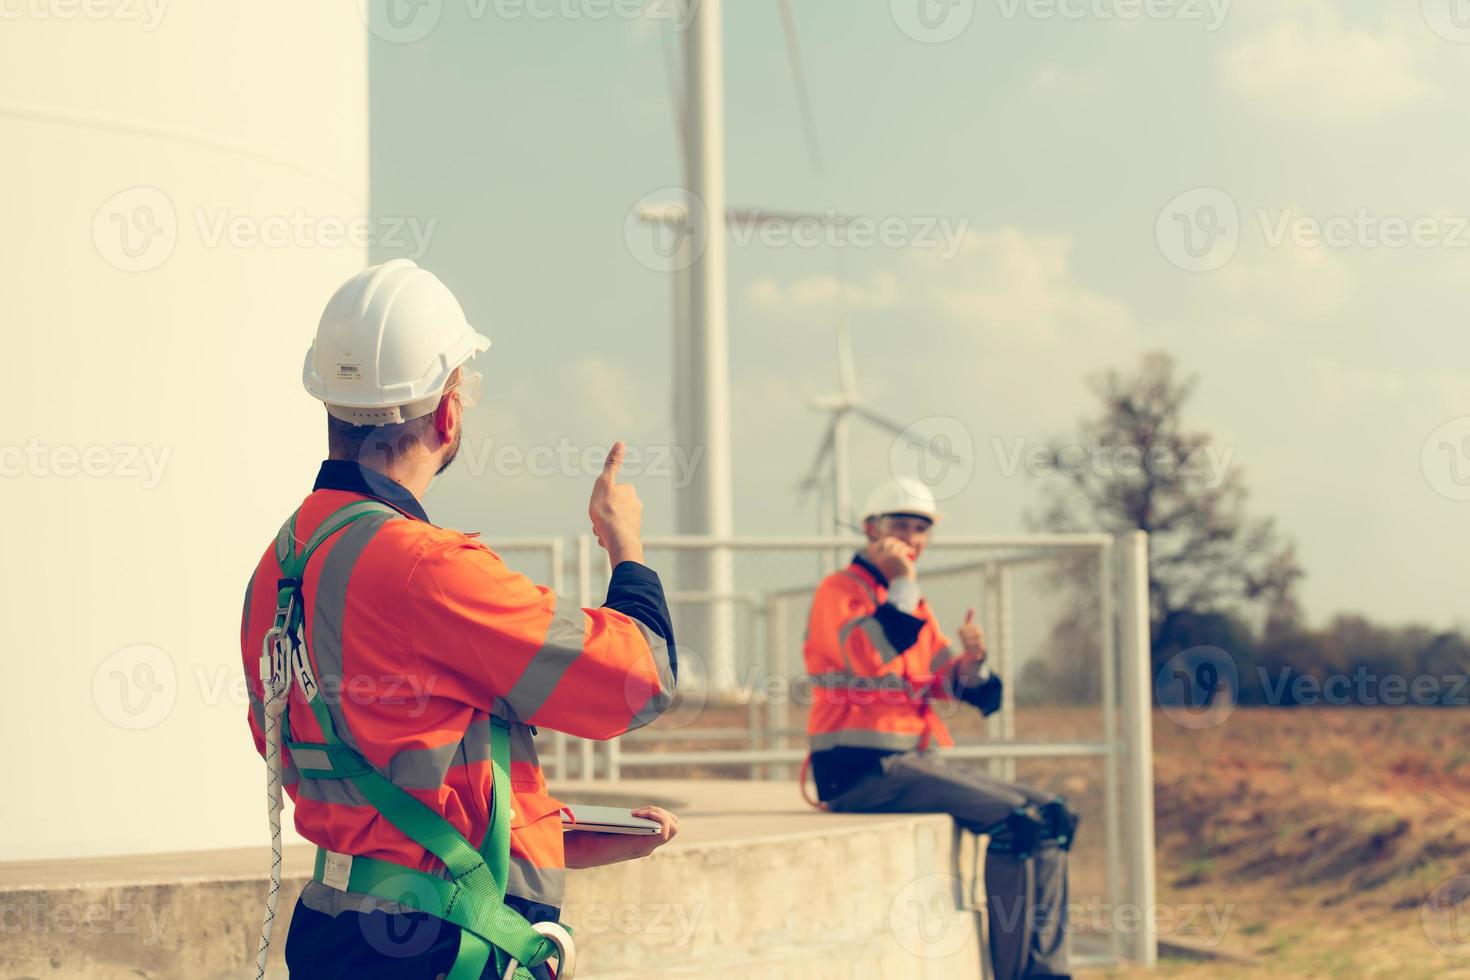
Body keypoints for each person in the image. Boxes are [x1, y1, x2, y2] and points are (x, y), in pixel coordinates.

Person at [241, 259, 679, 979]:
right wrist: (624, 544)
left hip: (332, 936)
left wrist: (557, 831)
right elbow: (639, 678)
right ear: (448, 412)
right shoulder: (427, 569)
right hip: (440, 950)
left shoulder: (277, 569)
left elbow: (351, 769)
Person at [803, 477, 1077, 980]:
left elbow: (966, 689)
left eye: (921, 528)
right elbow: (866, 658)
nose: (912, 538)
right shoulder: (839, 592)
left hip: (910, 764)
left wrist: (975, 663)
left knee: (1054, 817)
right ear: (870, 530)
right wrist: (904, 583)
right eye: (900, 526)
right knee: (1015, 823)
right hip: (858, 773)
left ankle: (1048, 972)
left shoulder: (913, 606)